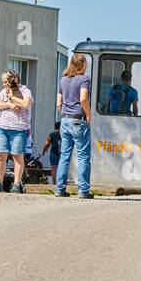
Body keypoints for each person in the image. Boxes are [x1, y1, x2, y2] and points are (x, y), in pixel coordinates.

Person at [55, 52, 93, 198]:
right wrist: (88, 114)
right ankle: (83, 190)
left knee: (64, 156)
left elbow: (59, 103)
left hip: (65, 119)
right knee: (83, 156)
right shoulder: (84, 79)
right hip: (78, 119)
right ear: (83, 64)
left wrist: (64, 114)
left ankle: (60, 188)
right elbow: (83, 98)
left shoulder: (63, 80)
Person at [0, 70, 33, 194]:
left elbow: (25, 104)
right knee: (0, 155)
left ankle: (16, 184)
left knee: (17, 156)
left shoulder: (25, 91)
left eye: (6, 81)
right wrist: (9, 105)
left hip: (19, 129)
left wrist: (12, 98)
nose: (4, 85)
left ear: (14, 79)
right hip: (2, 128)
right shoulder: (3, 93)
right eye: (3, 82)